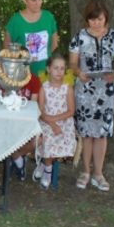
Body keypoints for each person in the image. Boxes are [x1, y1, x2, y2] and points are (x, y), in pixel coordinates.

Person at [69, 0, 114, 191]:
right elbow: (73, 63)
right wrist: (79, 73)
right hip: (85, 90)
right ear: (87, 19)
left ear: (106, 18)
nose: (97, 23)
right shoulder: (80, 36)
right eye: (93, 20)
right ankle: (85, 171)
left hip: (106, 90)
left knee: (102, 132)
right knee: (86, 132)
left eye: (100, 19)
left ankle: (98, 174)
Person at [33, 54, 76, 190]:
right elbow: (40, 111)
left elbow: (71, 111)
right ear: (48, 69)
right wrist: (51, 123)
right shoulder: (44, 88)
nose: (59, 71)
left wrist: (55, 120)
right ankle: (48, 170)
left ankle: (43, 163)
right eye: (56, 68)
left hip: (64, 121)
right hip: (46, 121)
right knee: (48, 137)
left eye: (62, 68)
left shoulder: (67, 88)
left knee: (62, 136)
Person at [4, 0, 58, 77]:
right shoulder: (15, 21)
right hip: (22, 74)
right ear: (24, 0)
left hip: (46, 72)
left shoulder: (48, 17)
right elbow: (6, 48)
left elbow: (54, 44)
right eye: (33, 0)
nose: (37, 3)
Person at [8, 69, 41, 181]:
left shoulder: (34, 80)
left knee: (37, 140)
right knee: (6, 136)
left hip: (26, 120)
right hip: (10, 120)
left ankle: (16, 157)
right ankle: (19, 163)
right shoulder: (7, 78)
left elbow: (33, 106)